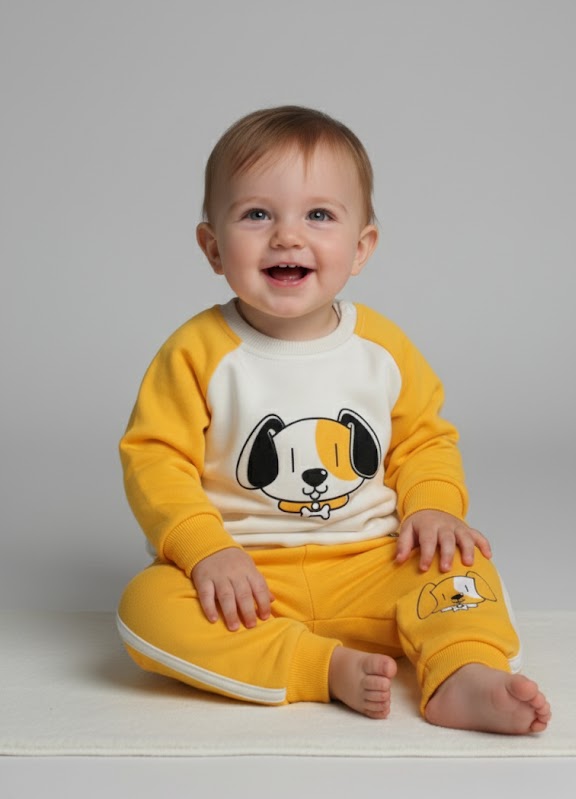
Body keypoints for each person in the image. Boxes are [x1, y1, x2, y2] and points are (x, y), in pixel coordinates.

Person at [117, 105, 551, 734]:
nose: (287, 237)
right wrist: (206, 551)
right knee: (148, 607)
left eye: (318, 215)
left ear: (361, 247)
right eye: (257, 214)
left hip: (373, 562)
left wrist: (433, 507)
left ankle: (462, 673)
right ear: (212, 247)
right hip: (248, 577)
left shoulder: (381, 348)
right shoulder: (195, 352)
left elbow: (422, 440)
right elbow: (155, 459)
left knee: (463, 569)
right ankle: (317, 666)